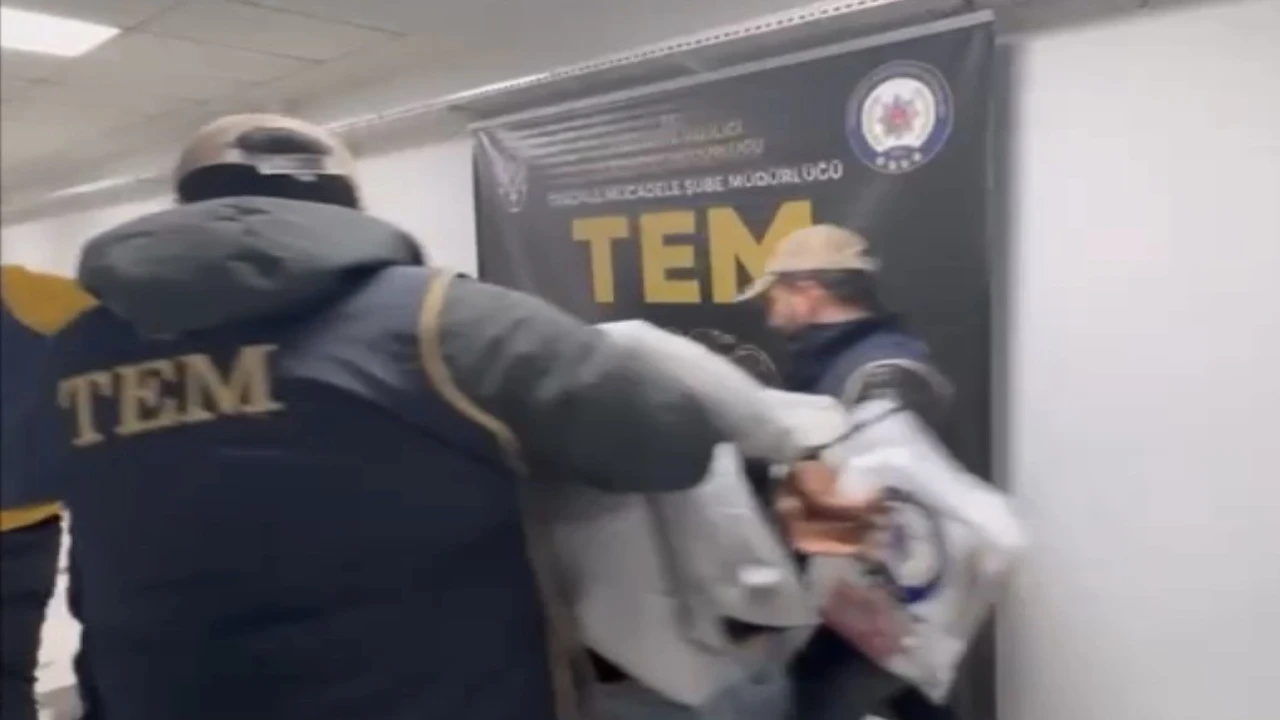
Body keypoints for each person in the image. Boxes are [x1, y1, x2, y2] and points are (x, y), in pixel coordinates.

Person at [8, 112, 802, 720]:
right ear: (347, 200)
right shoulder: (446, 320)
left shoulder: (82, 346)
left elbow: (27, 478)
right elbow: (666, 446)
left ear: (187, 202)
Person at [735, 223, 957, 720]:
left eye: (775, 296)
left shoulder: (881, 374)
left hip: (876, 599)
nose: (770, 313)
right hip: (871, 597)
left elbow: (891, 503)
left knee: (810, 704)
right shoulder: (845, 366)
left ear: (808, 292)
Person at [1, 265, 96, 720]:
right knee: (9, 677)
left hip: (25, 521)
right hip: (23, 518)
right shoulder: (21, 293)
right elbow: (127, 324)